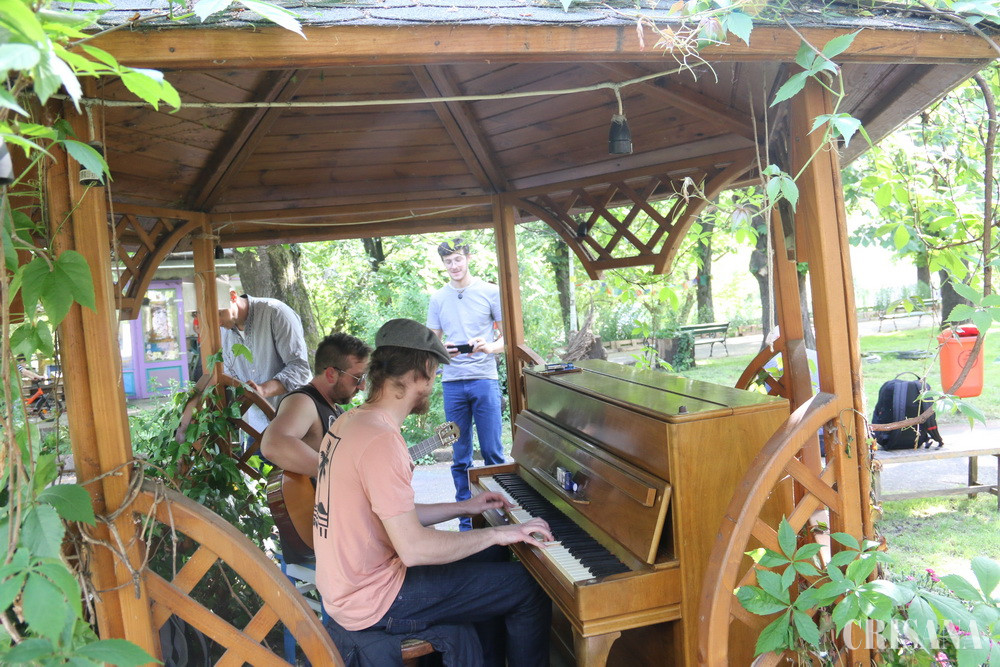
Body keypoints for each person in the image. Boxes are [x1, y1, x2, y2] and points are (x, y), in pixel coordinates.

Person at [314, 319, 551, 666]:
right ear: (423, 370)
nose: (435, 381)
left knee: (494, 556)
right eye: (436, 371)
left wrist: (464, 507)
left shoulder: (350, 422)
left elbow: (393, 516)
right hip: (374, 599)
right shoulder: (381, 440)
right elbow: (414, 549)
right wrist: (500, 532)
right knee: (528, 588)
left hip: (350, 587)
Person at [426, 238, 505, 530]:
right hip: (453, 383)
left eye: (458, 259)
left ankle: (501, 517)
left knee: (493, 453)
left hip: (484, 379)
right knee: (460, 456)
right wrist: (443, 351)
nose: (454, 266)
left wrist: (489, 346)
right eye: (448, 262)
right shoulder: (438, 298)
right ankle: (466, 522)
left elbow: (509, 338)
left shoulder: (490, 291)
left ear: (468, 258)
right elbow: (430, 343)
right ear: (443, 264)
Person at [260, 332, 371, 476]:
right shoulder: (304, 401)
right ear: (331, 374)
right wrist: (339, 474)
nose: (362, 386)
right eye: (357, 378)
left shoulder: (337, 411)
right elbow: (273, 444)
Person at [215, 278, 312, 436]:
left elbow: (300, 369)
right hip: (257, 428)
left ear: (233, 296)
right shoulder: (221, 331)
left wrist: (262, 390)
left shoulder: (275, 312)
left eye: (219, 313)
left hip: (295, 422)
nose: (217, 322)